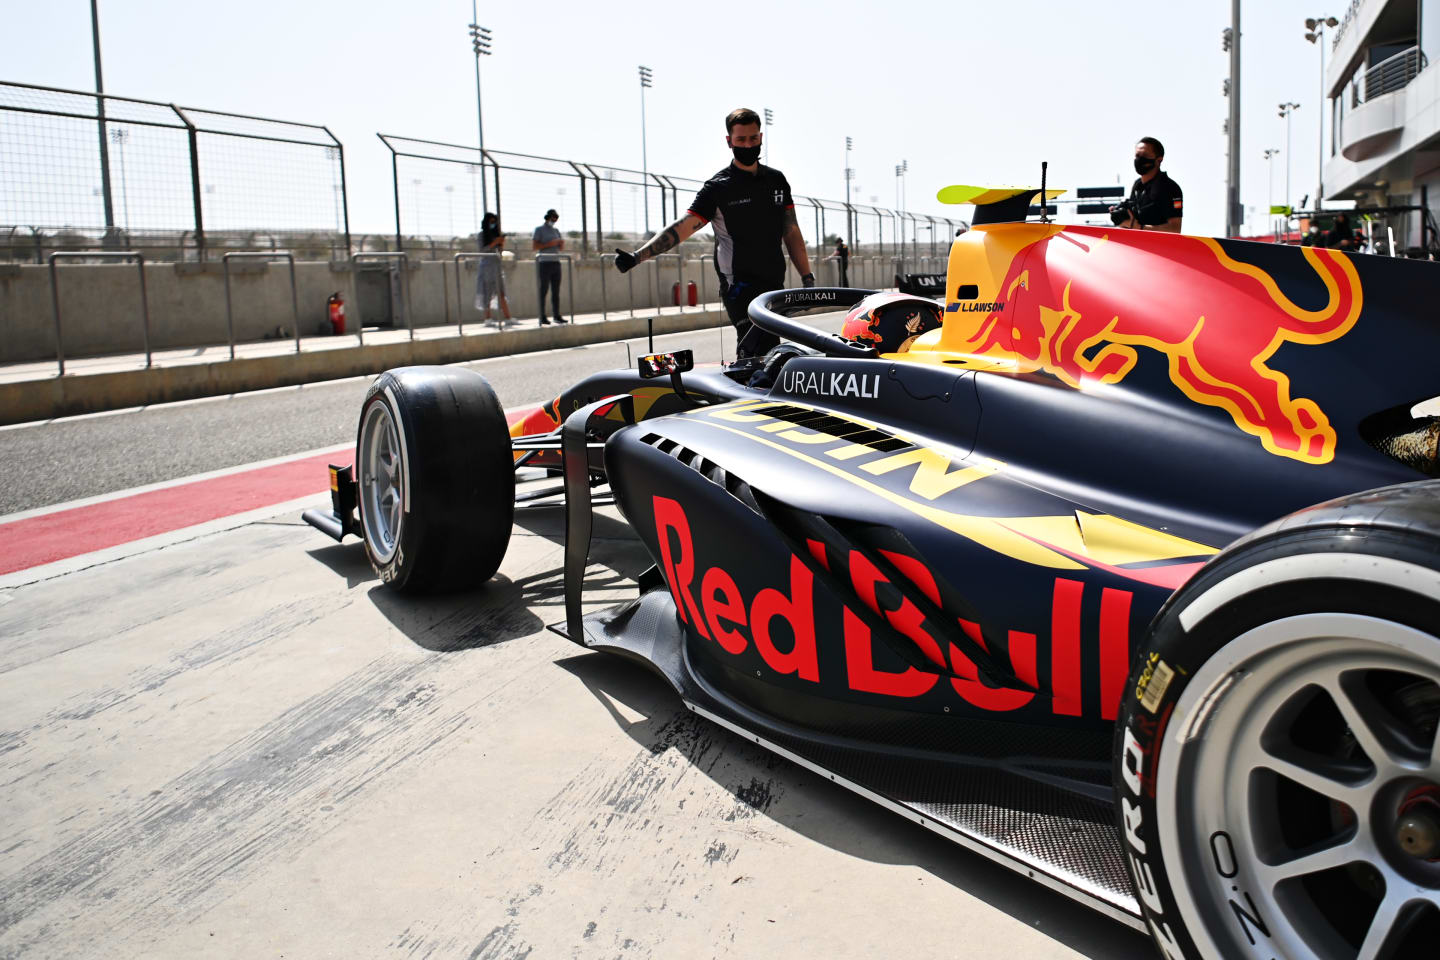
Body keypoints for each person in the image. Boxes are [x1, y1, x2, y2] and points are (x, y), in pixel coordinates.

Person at [613, 107, 814, 358]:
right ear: (729, 141)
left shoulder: (777, 180)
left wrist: (807, 278)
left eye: (753, 138)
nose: (748, 145)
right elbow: (683, 227)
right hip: (738, 285)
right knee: (758, 347)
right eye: (741, 140)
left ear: (761, 138)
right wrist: (637, 256)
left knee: (772, 352)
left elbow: (791, 230)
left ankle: (751, 390)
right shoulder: (718, 188)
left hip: (773, 282)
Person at [1111, 137, 1183, 233]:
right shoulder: (1137, 186)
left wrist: (1137, 226)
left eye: (1145, 155)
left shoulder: (1170, 188)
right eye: (1137, 155)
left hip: (1158, 246)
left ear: (1159, 160)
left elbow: (1175, 229)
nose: (1139, 159)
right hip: (1136, 244)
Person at [475, 213, 511, 323]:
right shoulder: (482, 235)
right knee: (487, 292)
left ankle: (508, 317)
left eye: (494, 222)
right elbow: (482, 250)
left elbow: (499, 251)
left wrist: (501, 243)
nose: (493, 224)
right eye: (491, 222)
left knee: (501, 292)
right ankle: (488, 318)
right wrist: (494, 242)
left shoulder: (495, 234)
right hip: (486, 267)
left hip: (497, 266)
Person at [532, 208, 566, 325]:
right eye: (553, 219)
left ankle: (557, 315)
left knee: (556, 292)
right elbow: (535, 246)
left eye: (556, 219)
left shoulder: (556, 231)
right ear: (547, 218)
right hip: (544, 263)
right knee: (544, 290)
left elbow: (560, 248)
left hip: (555, 262)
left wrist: (560, 244)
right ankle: (542, 316)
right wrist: (549, 244)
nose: (554, 221)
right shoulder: (539, 230)